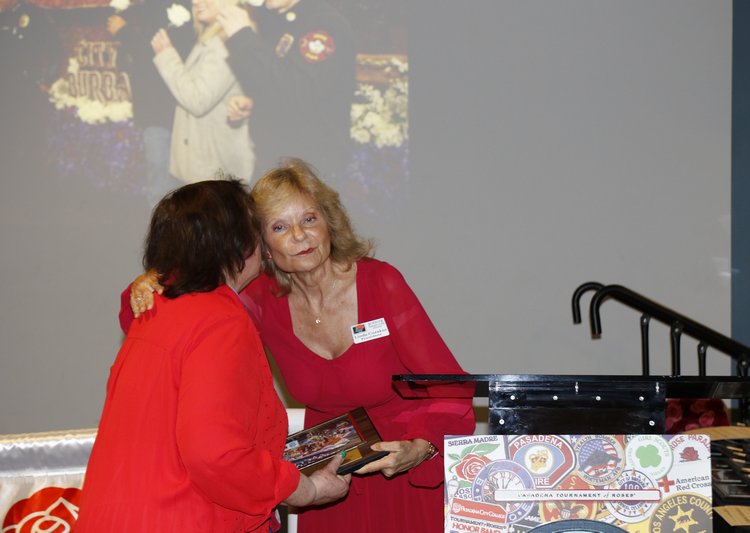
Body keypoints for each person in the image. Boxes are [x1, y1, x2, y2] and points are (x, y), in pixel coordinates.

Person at [125, 159, 476, 532]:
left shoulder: (381, 283)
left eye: (309, 219)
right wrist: (157, 280)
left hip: (398, 473)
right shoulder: (261, 300)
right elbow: (183, 321)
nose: (300, 235)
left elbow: (449, 388)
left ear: (329, 223)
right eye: (280, 227)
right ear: (260, 245)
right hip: (327, 484)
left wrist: (422, 446)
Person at [76, 179, 350, 533]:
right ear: (238, 242)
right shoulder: (220, 320)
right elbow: (216, 455)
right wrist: (305, 489)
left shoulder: (155, 308)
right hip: (184, 518)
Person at [216, 0, 356, 183]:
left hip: (307, 169)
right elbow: (282, 84)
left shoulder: (323, 23)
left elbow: (300, 94)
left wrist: (243, 36)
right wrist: (256, 104)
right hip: (278, 162)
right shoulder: (280, 20)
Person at [151, 0, 255, 185]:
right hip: (206, 162)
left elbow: (197, 100)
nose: (196, 1)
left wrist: (166, 56)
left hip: (215, 166)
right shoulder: (211, 37)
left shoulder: (227, 40)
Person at [107, 2, 194, 206]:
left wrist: (124, 32)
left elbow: (159, 56)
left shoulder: (176, 10)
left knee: (165, 181)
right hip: (158, 109)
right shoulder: (146, 9)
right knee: (161, 179)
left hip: (168, 109)